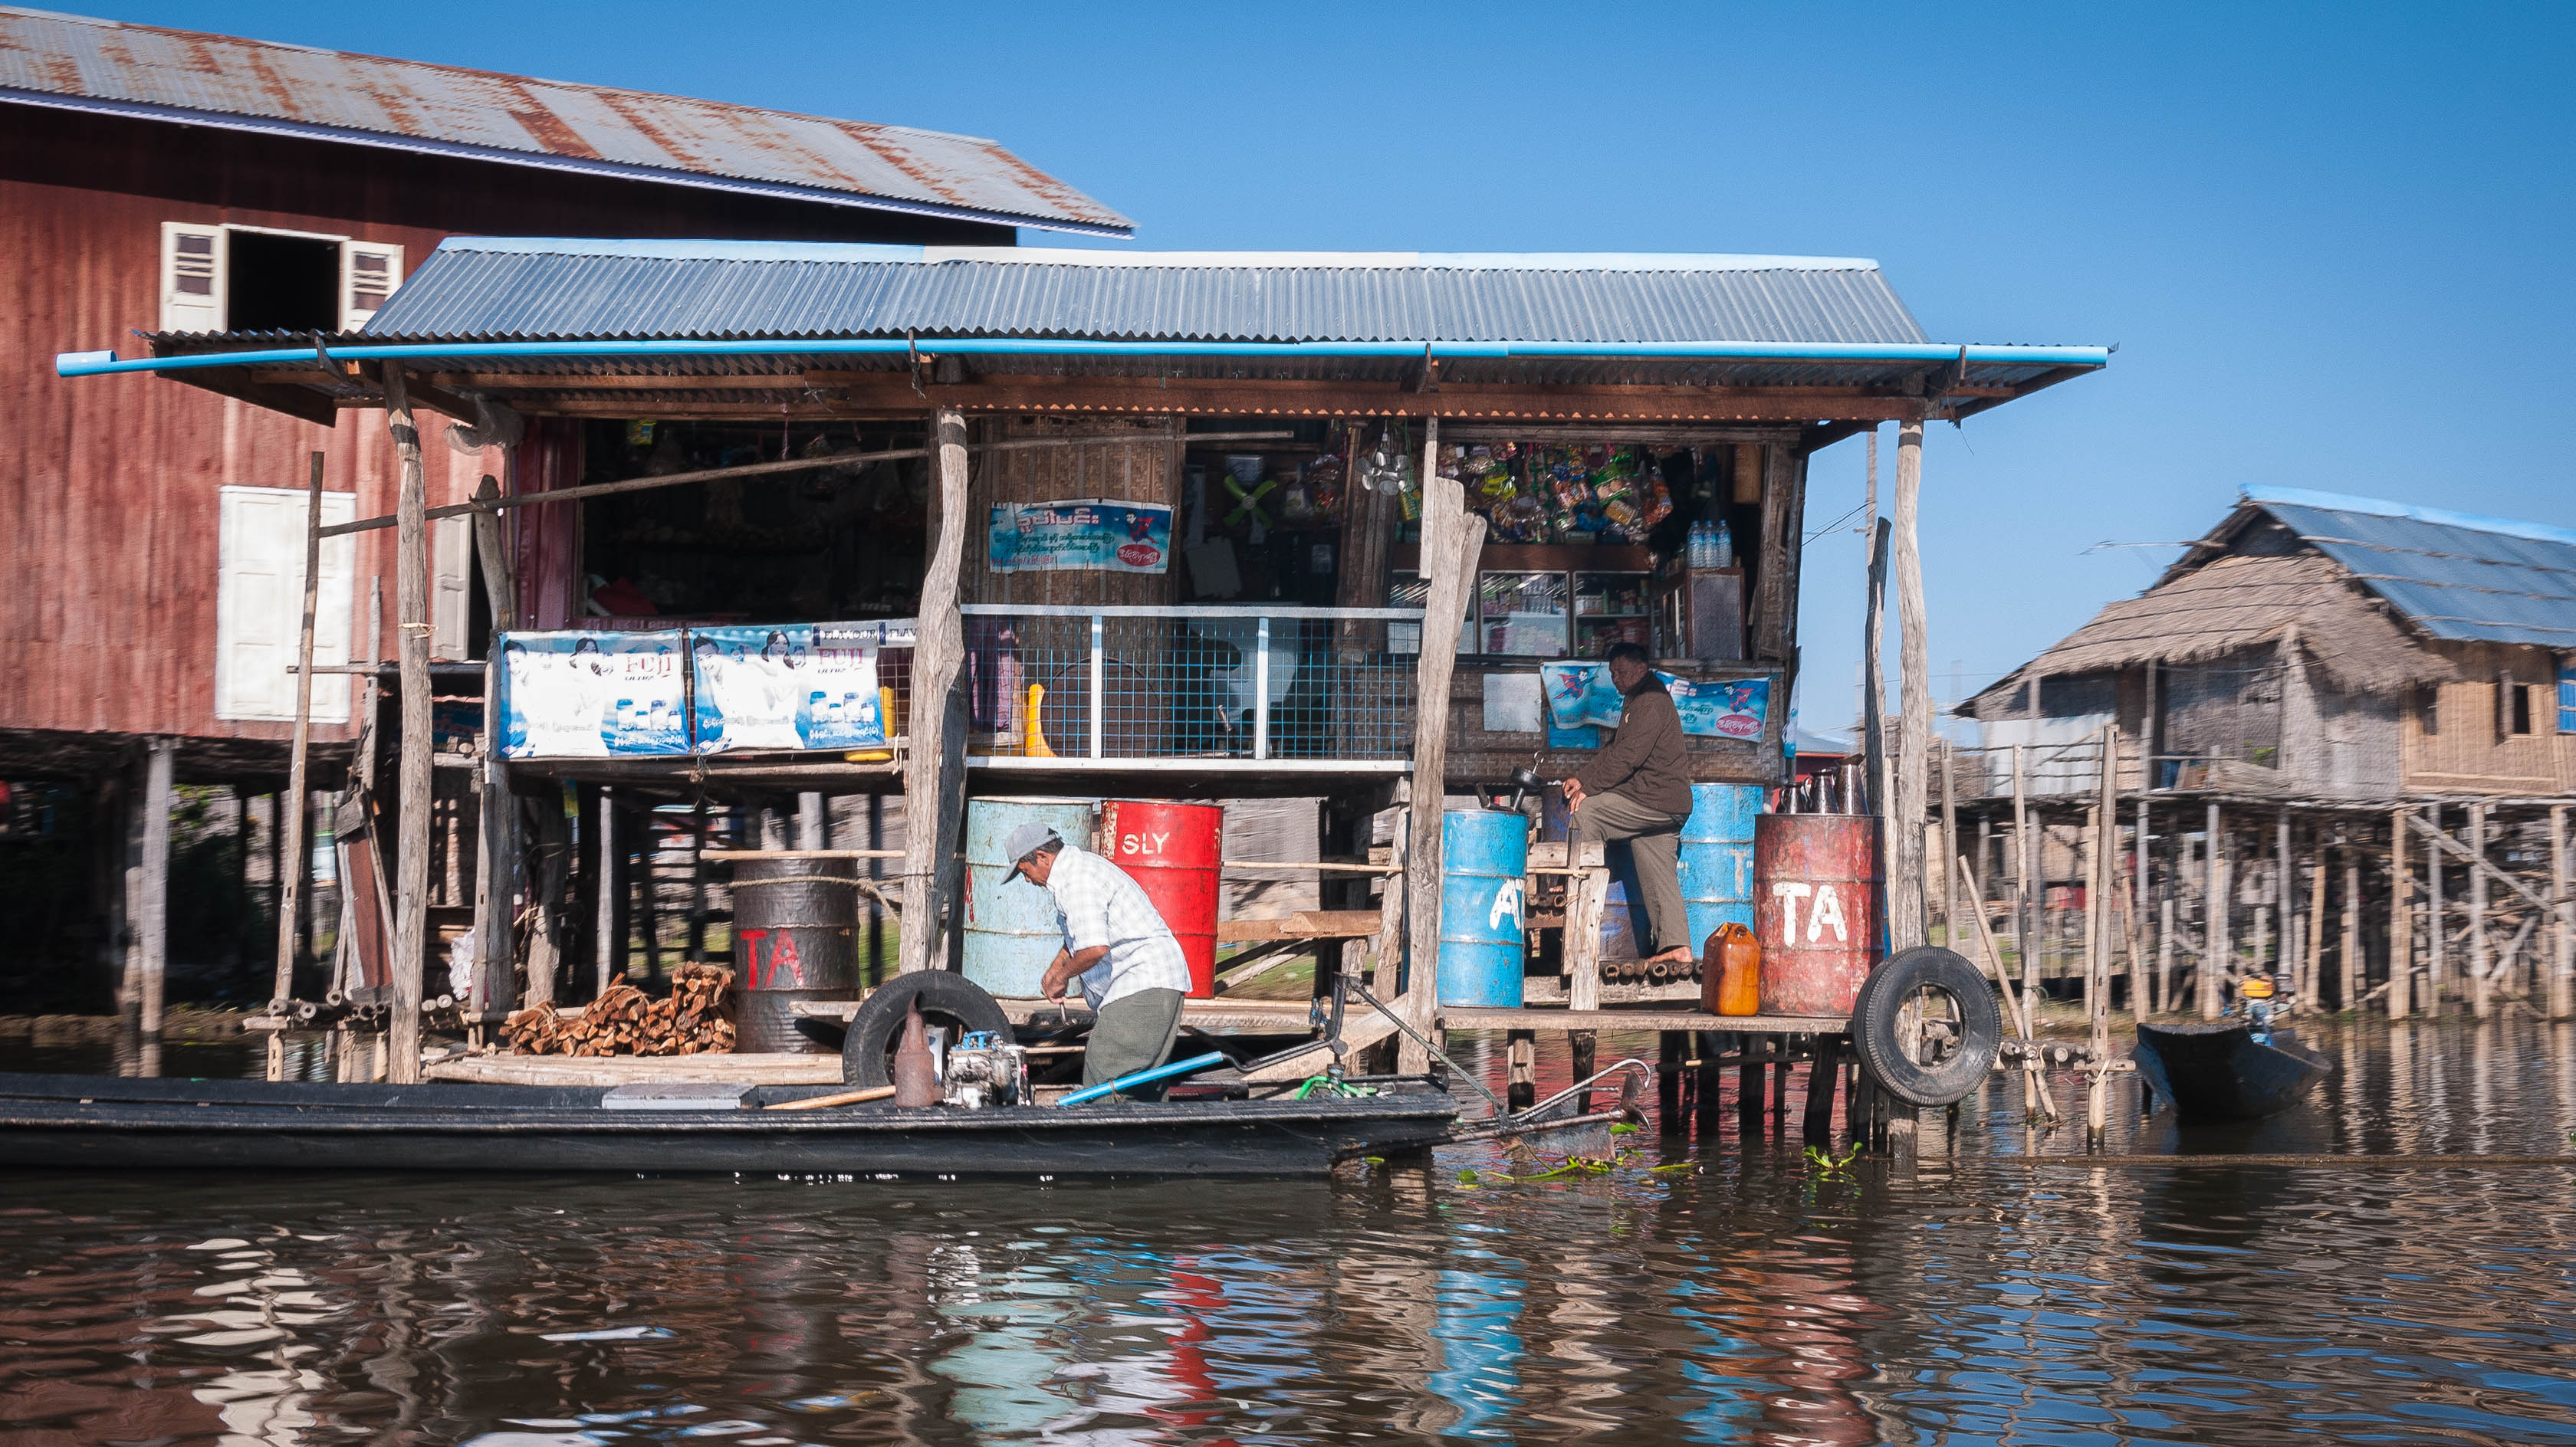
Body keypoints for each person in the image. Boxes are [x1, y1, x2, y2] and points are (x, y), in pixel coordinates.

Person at [1003, 822, 1193, 1100]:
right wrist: (1056, 968)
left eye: (1025, 872)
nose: (1028, 880)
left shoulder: (1076, 881)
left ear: (1042, 857)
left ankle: (1104, 1141)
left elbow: (1094, 949)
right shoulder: (1076, 873)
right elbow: (1078, 939)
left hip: (1144, 981)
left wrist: (1063, 976)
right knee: (1139, 1087)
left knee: (1104, 1067)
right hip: (1150, 981)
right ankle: (1147, 1140)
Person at [1562, 641, 1697, 967]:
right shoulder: (1637, 699)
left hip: (1655, 799)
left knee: (1587, 812)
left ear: (1641, 669)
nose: (1617, 679)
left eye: (1622, 672)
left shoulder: (1651, 700)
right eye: (1612, 674)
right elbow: (1615, 749)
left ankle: (1578, 925)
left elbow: (1628, 757)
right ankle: (1677, 946)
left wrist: (1589, 790)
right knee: (1657, 869)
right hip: (1663, 804)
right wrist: (1583, 778)